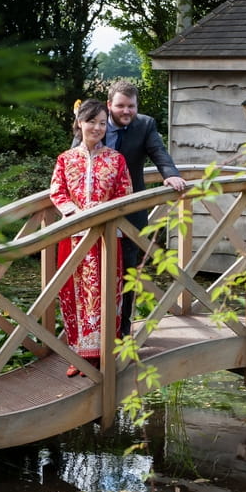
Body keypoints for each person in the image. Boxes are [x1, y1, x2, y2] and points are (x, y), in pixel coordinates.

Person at [50, 98, 133, 377]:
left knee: (106, 293)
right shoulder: (65, 159)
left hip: (107, 238)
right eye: (91, 122)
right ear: (80, 123)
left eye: (101, 123)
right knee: (72, 295)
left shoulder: (116, 159)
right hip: (73, 237)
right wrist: (74, 212)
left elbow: (125, 193)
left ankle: (104, 355)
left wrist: (104, 208)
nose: (97, 127)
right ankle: (79, 356)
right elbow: (57, 191)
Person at [105, 80, 186, 335]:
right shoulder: (93, 121)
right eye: (120, 106)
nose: (126, 111)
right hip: (97, 213)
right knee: (97, 274)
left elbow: (159, 152)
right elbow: (76, 156)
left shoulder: (145, 124)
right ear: (109, 106)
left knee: (129, 272)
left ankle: (123, 332)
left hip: (132, 211)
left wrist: (170, 174)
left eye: (131, 106)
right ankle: (95, 336)